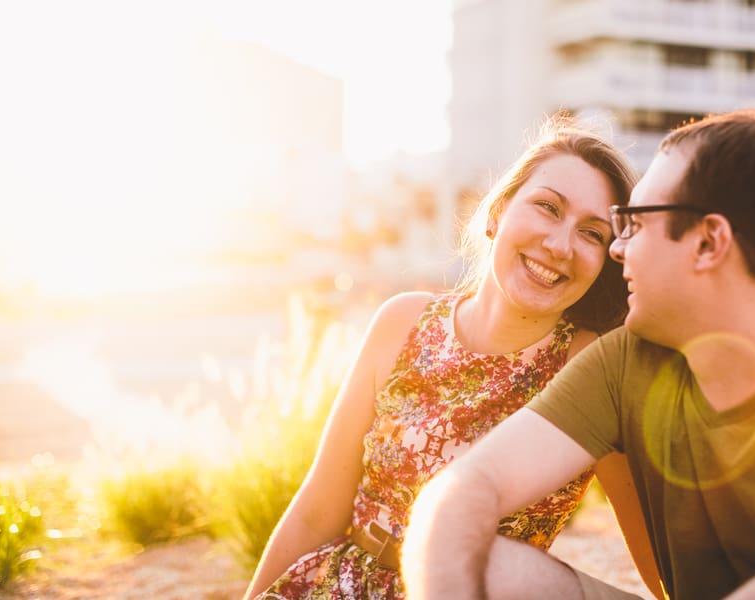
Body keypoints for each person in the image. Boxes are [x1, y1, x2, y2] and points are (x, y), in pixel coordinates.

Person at [402, 107, 755, 599]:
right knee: (487, 563)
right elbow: (464, 489)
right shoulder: (627, 361)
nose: (618, 250)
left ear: (708, 243)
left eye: (634, 223)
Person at [243, 117, 663, 599]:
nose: (559, 244)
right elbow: (318, 508)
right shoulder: (402, 320)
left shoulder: (590, 365)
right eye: (547, 207)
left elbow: (659, 558)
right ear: (496, 214)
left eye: (592, 233)